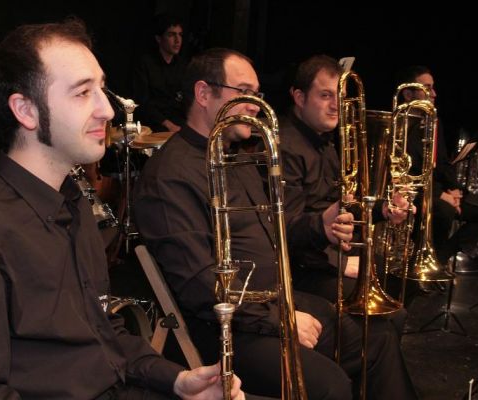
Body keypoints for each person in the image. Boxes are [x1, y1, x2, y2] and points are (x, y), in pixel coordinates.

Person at [0, 19, 247, 400]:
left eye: (101, 88)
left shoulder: (73, 202)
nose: (108, 110)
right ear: (25, 110)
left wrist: (178, 381)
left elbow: (104, 333)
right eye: (83, 93)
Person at [133, 48, 417, 399]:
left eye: (257, 94)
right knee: (330, 386)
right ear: (204, 94)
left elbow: (278, 233)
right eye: (244, 92)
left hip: (272, 304)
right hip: (225, 329)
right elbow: (200, 286)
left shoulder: (236, 158)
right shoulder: (169, 175)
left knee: (378, 339)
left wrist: (320, 226)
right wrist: (280, 320)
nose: (255, 105)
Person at [279, 55, 412, 318]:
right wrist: (338, 263)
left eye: (339, 96)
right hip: (301, 268)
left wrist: (384, 209)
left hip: (325, 255)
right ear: (300, 98)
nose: (335, 105)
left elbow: (342, 207)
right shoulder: (285, 147)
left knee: (396, 281)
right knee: (391, 316)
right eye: (325, 95)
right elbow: (284, 231)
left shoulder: (325, 141)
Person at [397, 65, 478, 266]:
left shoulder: (434, 122)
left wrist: (455, 190)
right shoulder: (399, 125)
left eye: (433, 87)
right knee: (443, 211)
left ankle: (439, 259)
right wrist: (442, 195)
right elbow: (409, 173)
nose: (434, 94)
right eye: (427, 88)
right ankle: (423, 261)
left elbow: (441, 164)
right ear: (408, 94)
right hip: (414, 192)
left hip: (438, 190)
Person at [132, 13, 187, 133]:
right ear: (159, 39)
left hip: (178, 121)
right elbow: (142, 102)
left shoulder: (182, 65)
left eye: (180, 34)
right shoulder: (145, 63)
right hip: (153, 124)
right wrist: (168, 124)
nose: (177, 40)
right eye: (171, 35)